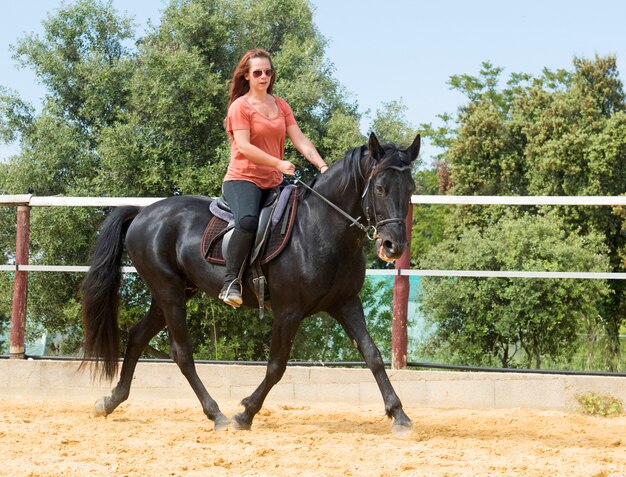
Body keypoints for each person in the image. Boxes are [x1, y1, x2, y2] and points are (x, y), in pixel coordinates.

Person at [219, 48, 328, 307]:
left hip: (274, 182)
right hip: (242, 179)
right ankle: (231, 282)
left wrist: (323, 166)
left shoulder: (280, 105)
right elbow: (244, 147)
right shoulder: (240, 107)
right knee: (247, 222)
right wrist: (278, 162)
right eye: (258, 72)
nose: (264, 76)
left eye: (268, 72)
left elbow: (299, 139)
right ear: (246, 75)